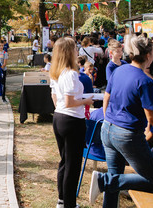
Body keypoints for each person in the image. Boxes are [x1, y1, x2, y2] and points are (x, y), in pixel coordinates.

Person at [89, 35, 153, 208]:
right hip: (126, 134)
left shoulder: (119, 70)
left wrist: (109, 119)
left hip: (108, 129)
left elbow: (106, 98)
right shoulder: (145, 81)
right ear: (149, 55)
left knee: (115, 181)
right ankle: (104, 180)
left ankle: (107, 181)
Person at [50, 37, 93, 208]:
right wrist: (85, 101)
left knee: (65, 161)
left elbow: (57, 98)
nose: (78, 52)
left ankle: (63, 200)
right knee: (72, 165)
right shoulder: (70, 74)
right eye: (75, 49)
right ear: (69, 52)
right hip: (71, 120)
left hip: (61, 117)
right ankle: (69, 203)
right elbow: (69, 102)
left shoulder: (57, 73)